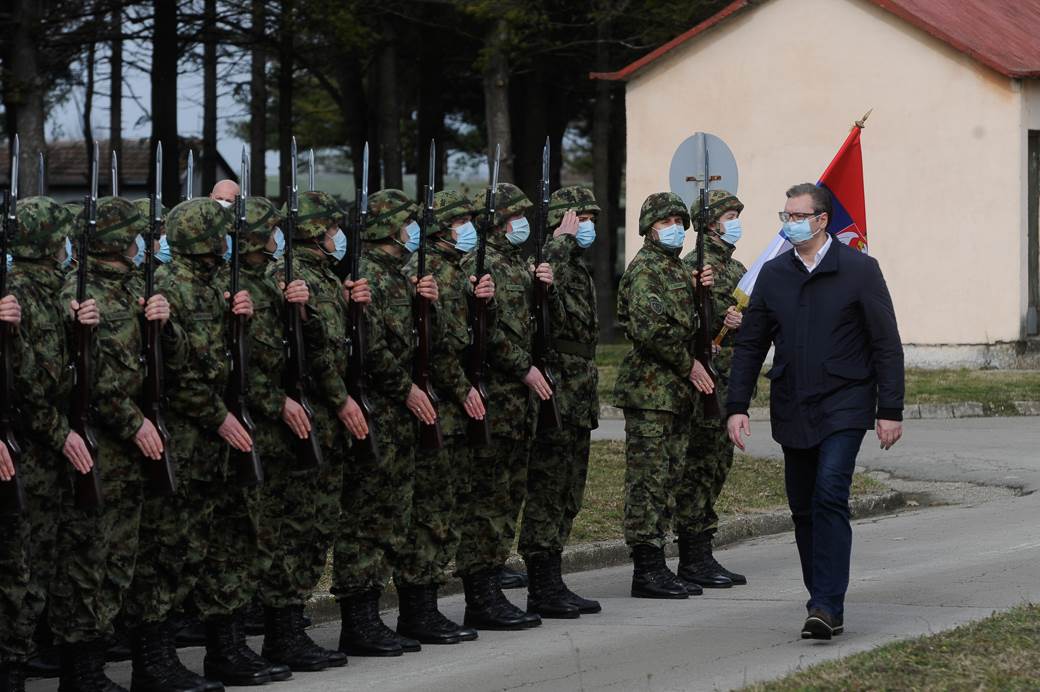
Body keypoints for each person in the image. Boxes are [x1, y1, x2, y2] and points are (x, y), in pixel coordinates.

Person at [726, 183, 904, 640]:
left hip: (845, 402)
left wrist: (891, 409)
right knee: (803, 508)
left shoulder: (859, 270)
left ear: (822, 220)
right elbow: (750, 344)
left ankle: (826, 604)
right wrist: (737, 406)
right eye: (784, 215)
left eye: (797, 215)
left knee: (829, 494)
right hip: (793, 403)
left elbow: (885, 342)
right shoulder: (774, 274)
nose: (789, 223)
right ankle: (820, 598)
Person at [122, 197, 262, 692]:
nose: (230, 243)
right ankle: (153, 663)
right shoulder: (168, 290)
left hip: (219, 445)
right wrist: (218, 417)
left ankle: (226, 650)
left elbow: (232, 365)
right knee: (168, 553)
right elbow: (172, 377)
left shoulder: (218, 286)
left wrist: (241, 320)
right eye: (222, 234)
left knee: (226, 547)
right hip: (184, 442)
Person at [260, 190, 368, 670]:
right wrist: (340, 399)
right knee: (297, 529)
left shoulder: (321, 275)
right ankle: (282, 633)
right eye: (331, 228)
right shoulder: (290, 275)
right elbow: (312, 351)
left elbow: (332, 341)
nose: (337, 235)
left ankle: (290, 628)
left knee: (314, 528)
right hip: (307, 417)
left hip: (322, 417)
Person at [331, 189, 439, 657]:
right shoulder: (368, 276)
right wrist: (406, 390)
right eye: (406, 221)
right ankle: (358, 619)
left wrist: (431, 305)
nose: (413, 228)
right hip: (380, 411)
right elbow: (369, 350)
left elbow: (427, 343)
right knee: (368, 520)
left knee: (394, 516)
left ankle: (378, 615)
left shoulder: (404, 275)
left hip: (402, 416)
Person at [456, 183, 557, 630]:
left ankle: (492, 585)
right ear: (495, 221)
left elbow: (531, 326)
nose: (524, 223)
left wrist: (543, 288)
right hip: (496, 398)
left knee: (507, 497)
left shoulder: (519, 264)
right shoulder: (482, 266)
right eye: (515, 215)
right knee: (488, 500)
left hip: (520, 406)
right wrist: (523, 369)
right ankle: (480, 594)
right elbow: (488, 333)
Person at [396, 190, 494, 644]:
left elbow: (470, 339)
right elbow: (436, 348)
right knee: (430, 513)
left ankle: (427, 607)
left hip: (452, 409)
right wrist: (460, 388)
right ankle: (418, 609)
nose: (471, 227)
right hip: (436, 407)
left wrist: (483, 302)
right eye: (464, 221)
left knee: (444, 510)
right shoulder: (429, 272)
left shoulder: (457, 271)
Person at [615, 192, 714, 600]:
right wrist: (688, 363)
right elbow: (650, 329)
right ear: (649, 228)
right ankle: (647, 569)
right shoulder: (646, 271)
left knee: (669, 478)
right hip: (651, 393)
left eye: (679, 220)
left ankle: (663, 564)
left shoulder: (675, 270)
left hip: (673, 395)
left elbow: (687, 323)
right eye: (666, 221)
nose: (675, 228)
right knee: (649, 482)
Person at [0, 195, 76, 692]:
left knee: (37, 565)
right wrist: (59, 433)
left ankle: (20, 662)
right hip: (27, 449)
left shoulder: (53, 294)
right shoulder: (21, 296)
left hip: (42, 454)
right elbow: (31, 384)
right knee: (17, 572)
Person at [518, 186, 602, 618]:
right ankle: (541, 585)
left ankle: (553, 579)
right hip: (556, 392)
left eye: (590, 219)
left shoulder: (578, 268)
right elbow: (538, 296)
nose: (586, 226)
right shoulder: (547, 263)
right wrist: (559, 242)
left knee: (569, 490)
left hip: (578, 393)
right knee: (548, 489)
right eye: (578, 218)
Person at [675, 189, 749, 589]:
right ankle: (692, 555)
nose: (736, 220)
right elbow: (682, 325)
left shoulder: (737, 269)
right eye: (730, 214)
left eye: (737, 213)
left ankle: (702, 551)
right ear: (710, 223)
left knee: (717, 467)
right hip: (705, 383)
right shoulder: (692, 268)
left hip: (731, 382)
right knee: (699, 469)